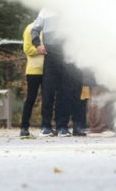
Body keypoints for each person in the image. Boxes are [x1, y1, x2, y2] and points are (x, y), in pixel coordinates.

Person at [30, 9, 85, 137]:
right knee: (48, 91)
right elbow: (34, 30)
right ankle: (45, 126)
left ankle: (62, 127)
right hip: (50, 55)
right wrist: (37, 44)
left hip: (68, 55)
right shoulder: (45, 11)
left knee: (65, 92)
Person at [19, 19, 44, 138]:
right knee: (31, 99)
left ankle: (46, 127)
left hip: (47, 71)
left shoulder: (47, 30)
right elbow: (27, 49)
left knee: (48, 99)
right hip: (34, 70)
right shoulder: (30, 28)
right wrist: (40, 50)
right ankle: (24, 127)